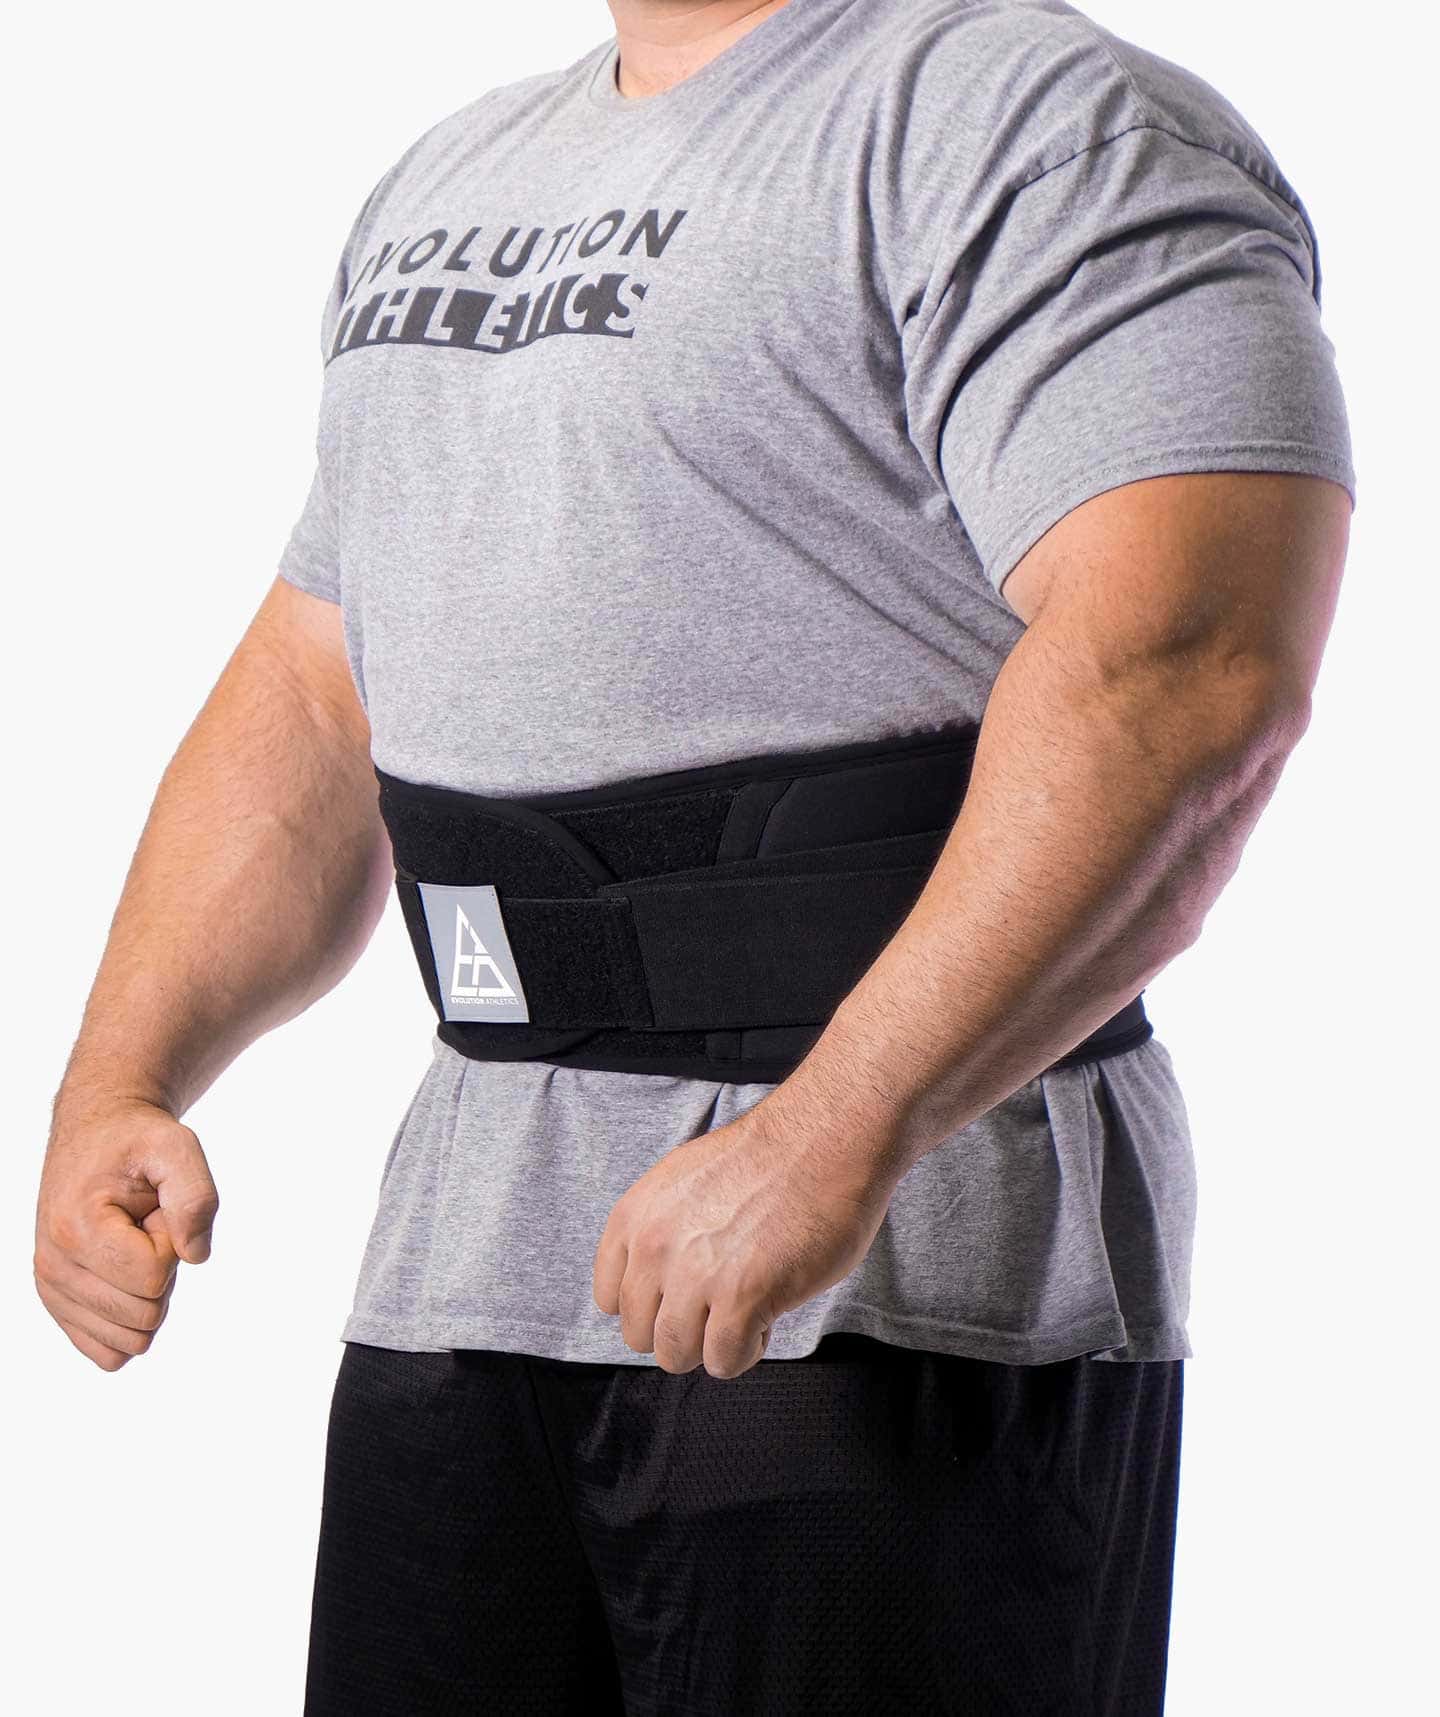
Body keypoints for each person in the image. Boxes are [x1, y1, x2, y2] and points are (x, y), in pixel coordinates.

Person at [33, 0, 1355, 1711]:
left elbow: (1189, 669)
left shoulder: (1040, 123)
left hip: (883, 1272)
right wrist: (121, 1077)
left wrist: (834, 1128)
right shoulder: (448, 177)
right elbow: (316, 686)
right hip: (470, 1262)